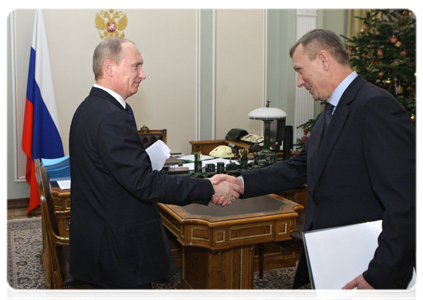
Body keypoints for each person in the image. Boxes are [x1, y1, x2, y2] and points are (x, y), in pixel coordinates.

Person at [213, 29, 419, 300]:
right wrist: (240, 183)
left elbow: (406, 202)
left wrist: (381, 278)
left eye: (300, 70)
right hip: (338, 265)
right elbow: (299, 168)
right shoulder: (330, 113)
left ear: (324, 59)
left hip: (372, 271)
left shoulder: (375, 106)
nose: (299, 82)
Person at [68, 37, 239, 300]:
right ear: (109, 67)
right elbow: (143, 183)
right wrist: (208, 187)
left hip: (100, 245)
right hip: (117, 253)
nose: (143, 75)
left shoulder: (89, 108)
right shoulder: (110, 116)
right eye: (136, 66)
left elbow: (114, 173)